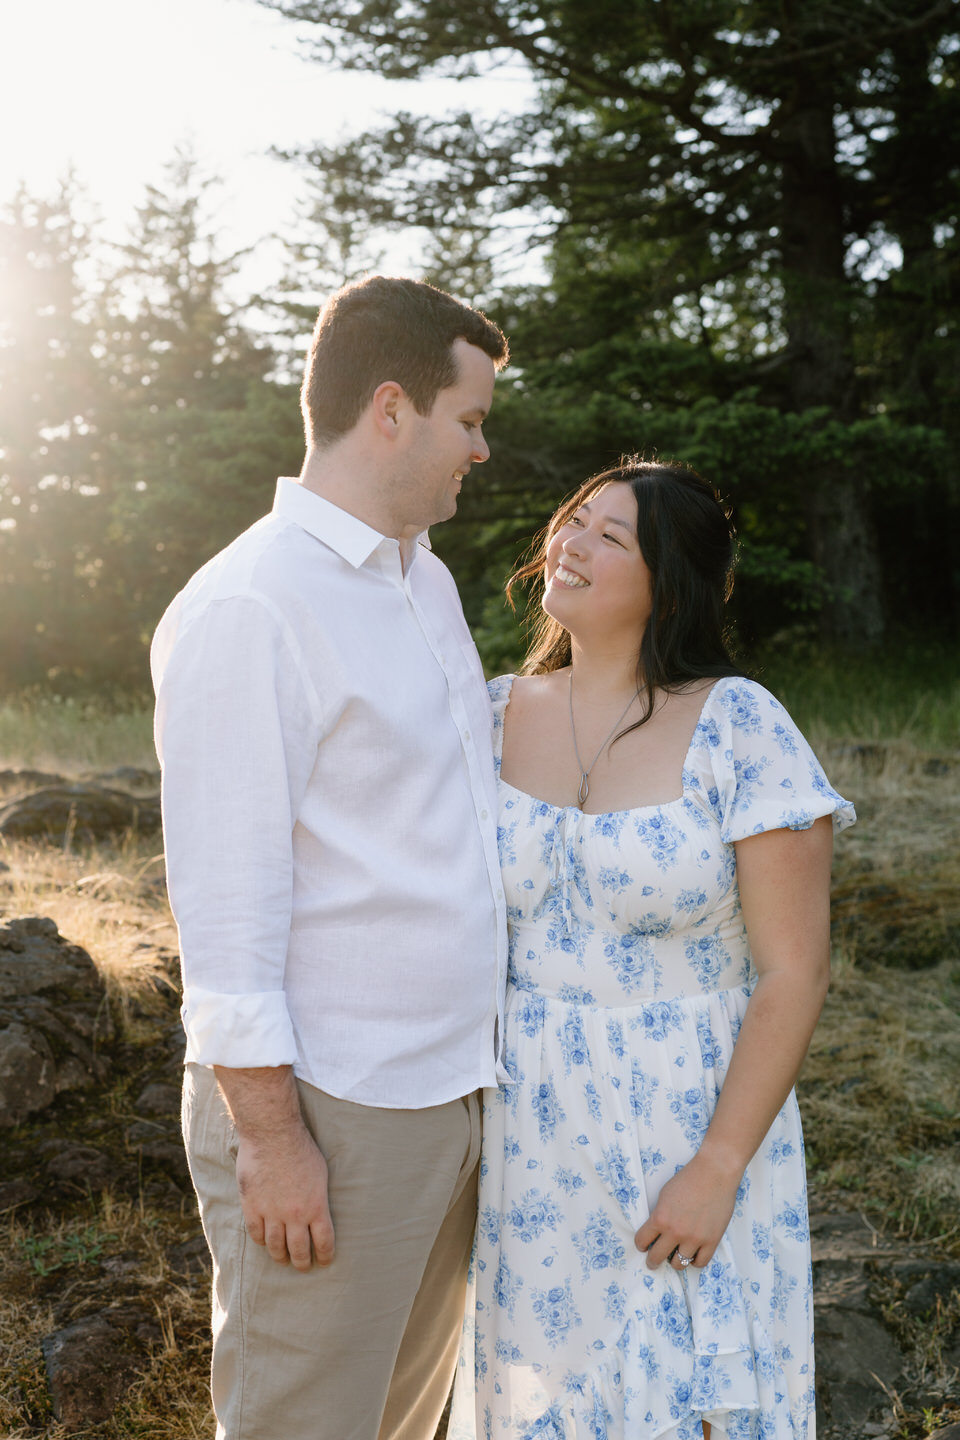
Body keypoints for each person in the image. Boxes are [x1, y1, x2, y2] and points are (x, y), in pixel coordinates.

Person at [151, 275, 511, 1440]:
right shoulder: (250, 607)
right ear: (392, 410)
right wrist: (272, 1141)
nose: (483, 448)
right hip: (331, 1109)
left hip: (449, 1089)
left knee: (404, 1426)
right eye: (471, 418)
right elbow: (226, 906)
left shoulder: (426, 581)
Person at [448, 458, 855, 1440]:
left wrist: (717, 1166)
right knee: (541, 1406)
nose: (571, 544)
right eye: (574, 521)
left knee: (691, 1403)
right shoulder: (488, 712)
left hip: (690, 1112)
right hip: (527, 1126)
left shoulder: (740, 724)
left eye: (609, 536)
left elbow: (794, 971)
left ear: (665, 583)